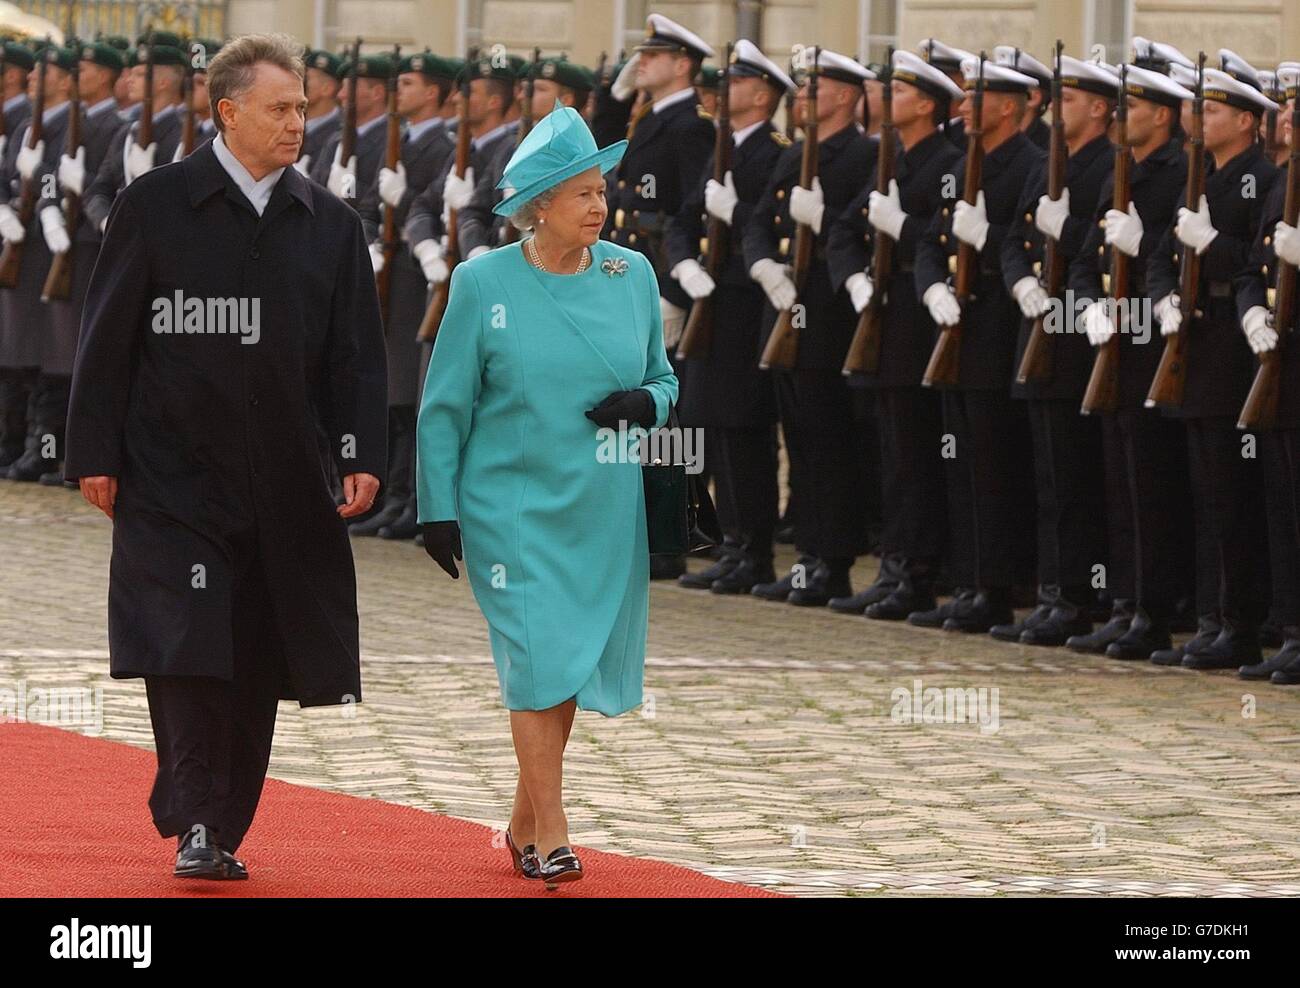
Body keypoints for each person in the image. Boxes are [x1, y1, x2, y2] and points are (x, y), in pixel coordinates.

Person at [62, 33, 387, 880]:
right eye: (280, 108)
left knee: (252, 648)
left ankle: (224, 824)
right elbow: (108, 337)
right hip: (171, 475)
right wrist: (95, 450)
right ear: (228, 111)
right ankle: (196, 823)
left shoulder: (331, 225)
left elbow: (354, 354)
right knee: (187, 642)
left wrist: (359, 453)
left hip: (280, 480)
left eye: (304, 107)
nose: (297, 123)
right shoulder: (157, 204)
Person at [415, 102, 677, 888]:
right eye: (583, 195)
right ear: (539, 208)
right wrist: (437, 506)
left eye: (602, 192)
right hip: (511, 508)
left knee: (564, 660)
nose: (600, 206)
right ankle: (553, 834)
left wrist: (646, 406)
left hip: (602, 504)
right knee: (534, 654)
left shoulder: (632, 275)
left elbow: (663, 379)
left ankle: (525, 819)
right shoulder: (482, 281)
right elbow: (444, 405)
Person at [664, 39, 795, 594]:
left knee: (744, 429)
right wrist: (683, 269)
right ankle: (731, 544)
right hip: (709, 303)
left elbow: (771, 229)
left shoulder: (776, 151)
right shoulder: (724, 148)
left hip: (746, 305)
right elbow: (680, 219)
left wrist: (734, 213)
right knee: (710, 425)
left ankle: (755, 552)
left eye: (736, 83)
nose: (723, 92)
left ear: (762, 93)